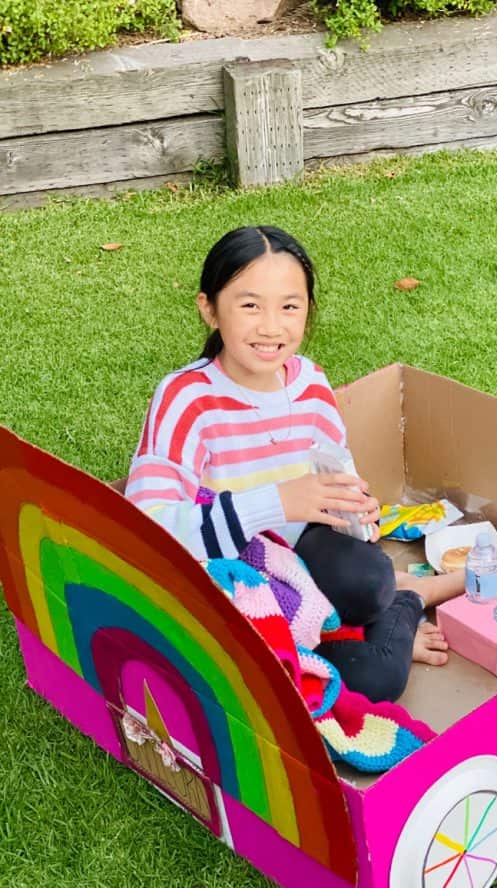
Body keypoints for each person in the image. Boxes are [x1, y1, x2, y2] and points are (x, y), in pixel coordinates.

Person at [126, 225, 464, 702]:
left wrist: (357, 511)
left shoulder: (309, 384)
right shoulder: (186, 399)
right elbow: (143, 530)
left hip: (303, 556)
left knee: (368, 580)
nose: (271, 327)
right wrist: (277, 501)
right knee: (373, 680)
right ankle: (411, 599)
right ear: (209, 308)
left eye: (289, 306)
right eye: (250, 306)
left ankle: (391, 595)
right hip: (232, 577)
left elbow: (338, 476)